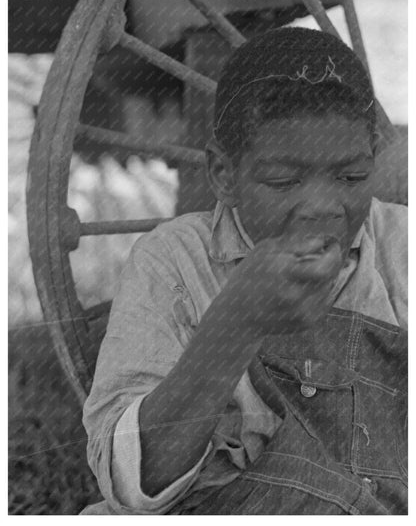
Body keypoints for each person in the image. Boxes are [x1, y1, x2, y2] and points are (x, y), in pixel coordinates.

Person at [82, 27, 407, 515]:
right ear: (223, 175)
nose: (322, 207)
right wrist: (234, 323)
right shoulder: (175, 261)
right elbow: (131, 485)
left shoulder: (402, 249)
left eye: (351, 177)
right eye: (283, 181)